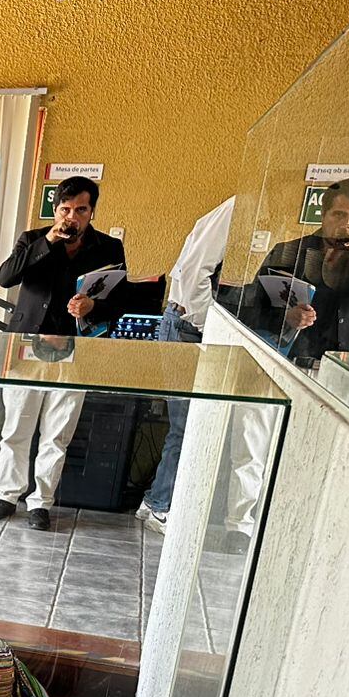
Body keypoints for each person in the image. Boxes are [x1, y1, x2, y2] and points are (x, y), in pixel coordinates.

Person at [0, 175, 128, 530]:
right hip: (26, 347)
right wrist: (48, 240)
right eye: (65, 209)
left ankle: (41, 502)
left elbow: (121, 300)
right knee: (16, 427)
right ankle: (7, 495)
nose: (72, 217)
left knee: (57, 432)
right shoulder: (33, 239)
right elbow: (5, 278)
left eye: (80, 210)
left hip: (76, 350)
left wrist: (93, 305)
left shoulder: (110, 248)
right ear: (56, 209)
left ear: (92, 211)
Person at [138, 196, 235, 534]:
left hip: (187, 325)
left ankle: (154, 501)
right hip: (188, 327)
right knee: (186, 424)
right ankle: (159, 505)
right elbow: (195, 274)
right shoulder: (234, 211)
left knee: (187, 423)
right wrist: (210, 328)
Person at [246, 177, 349, 367]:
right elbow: (252, 307)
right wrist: (286, 317)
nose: (348, 223)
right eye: (339, 215)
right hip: (296, 358)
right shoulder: (290, 251)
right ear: (323, 214)